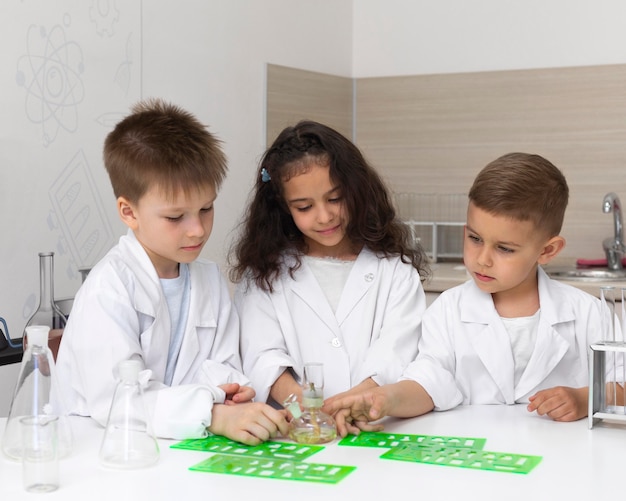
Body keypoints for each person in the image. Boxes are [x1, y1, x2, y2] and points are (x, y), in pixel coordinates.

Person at [325, 152, 616, 436]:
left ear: (547, 250)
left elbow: (622, 381)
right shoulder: (448, 310)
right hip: (478, 459)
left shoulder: (588, 313)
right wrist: (385, 399)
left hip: (563, 459)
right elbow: (428, 383)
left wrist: (584, 399)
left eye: (504, 248)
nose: (483, 259)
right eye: (475, 239)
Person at [55, 99, 288, 445]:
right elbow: (118, 401)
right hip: (101, 455)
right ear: (128, 211)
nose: (197, 230)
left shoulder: (208, 278)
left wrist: (233, 392)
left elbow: (223, 363)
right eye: (176, 217)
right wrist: (211, 412)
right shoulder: (109, 287)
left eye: (206, 208)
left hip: (179, 449)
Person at [229, 120, 429, 409]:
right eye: (305, 207)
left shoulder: (395, 272)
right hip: (295, 428)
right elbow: (262, 356)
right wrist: (310, 410)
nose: (324, 216)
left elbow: (396, 354)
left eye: (335, 198)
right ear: (283, 207)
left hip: (375, 422)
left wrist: (355, 403)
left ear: (357, 190)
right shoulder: (264, 273)